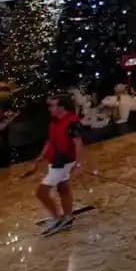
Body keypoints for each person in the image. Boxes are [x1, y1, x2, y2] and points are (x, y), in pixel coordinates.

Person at [25, 96, 83, 235]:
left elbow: (78, 143)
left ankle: (58, 218)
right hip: (55, 160)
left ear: (62, 107)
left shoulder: (71, 122)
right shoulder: (54, 122)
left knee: (41, 192)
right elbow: (50, 141)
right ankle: (67, 217)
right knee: (63, 188)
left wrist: (79, 164)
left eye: (53, 105)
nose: (50, 108)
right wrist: (41, 157)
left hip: (64, 162)